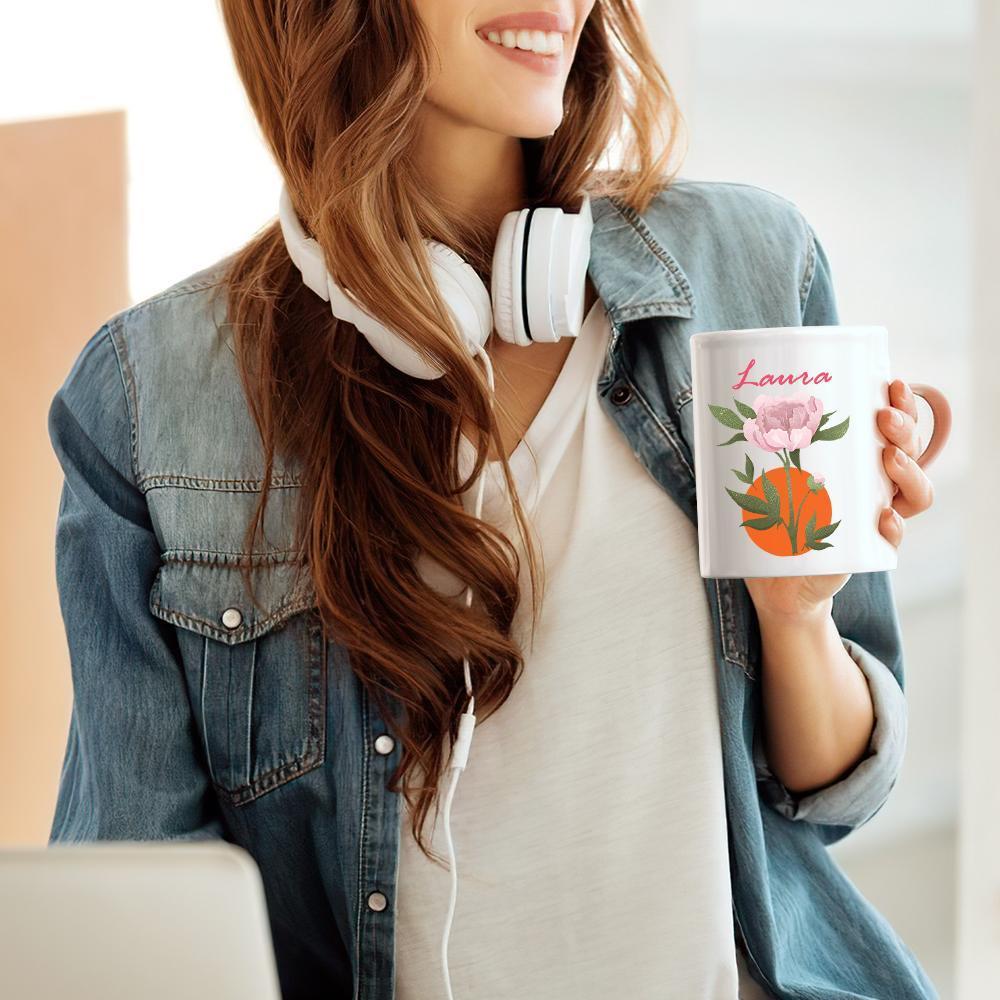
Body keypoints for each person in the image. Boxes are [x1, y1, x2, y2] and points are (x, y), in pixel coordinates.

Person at [46, 2, 941, 998]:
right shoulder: (153, 397)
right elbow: (138, 906)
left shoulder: (748, 264)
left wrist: (797, 612)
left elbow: (832, 794)